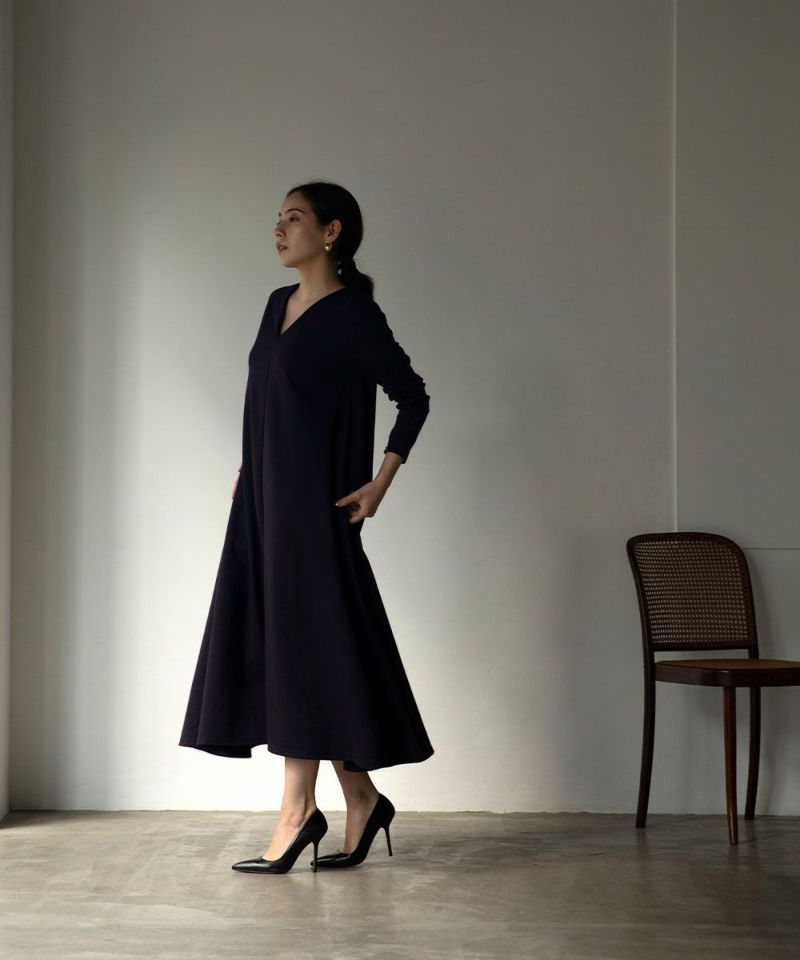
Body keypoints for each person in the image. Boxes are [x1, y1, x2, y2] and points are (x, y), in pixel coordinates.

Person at [178, 180, 434, 874]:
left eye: (293, 218)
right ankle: (361, 797)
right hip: (262, 504)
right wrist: (249, 465)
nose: (279, 229)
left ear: (331, 232)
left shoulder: (353, 315)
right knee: (318, 648)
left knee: (305, 647)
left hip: (316, 512)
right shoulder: (276, 305)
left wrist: (380, 483)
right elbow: (269, 399)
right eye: (277, 219)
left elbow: (412, 397)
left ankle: (297, 813)